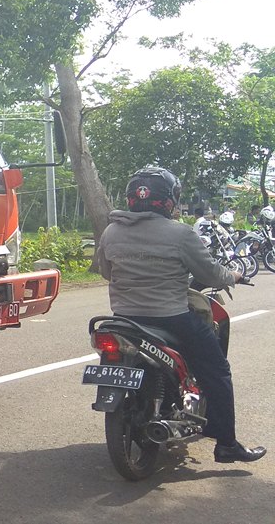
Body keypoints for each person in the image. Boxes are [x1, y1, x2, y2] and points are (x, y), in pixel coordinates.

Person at [95, 167, 265, 464]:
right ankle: (226, 444)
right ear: (169, 200)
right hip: (170, 318)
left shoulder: (112, 231)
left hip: (124, 318)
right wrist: (234, 276)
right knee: (217, 370)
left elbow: (107, 272)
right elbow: (210, 273)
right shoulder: (180, 233)